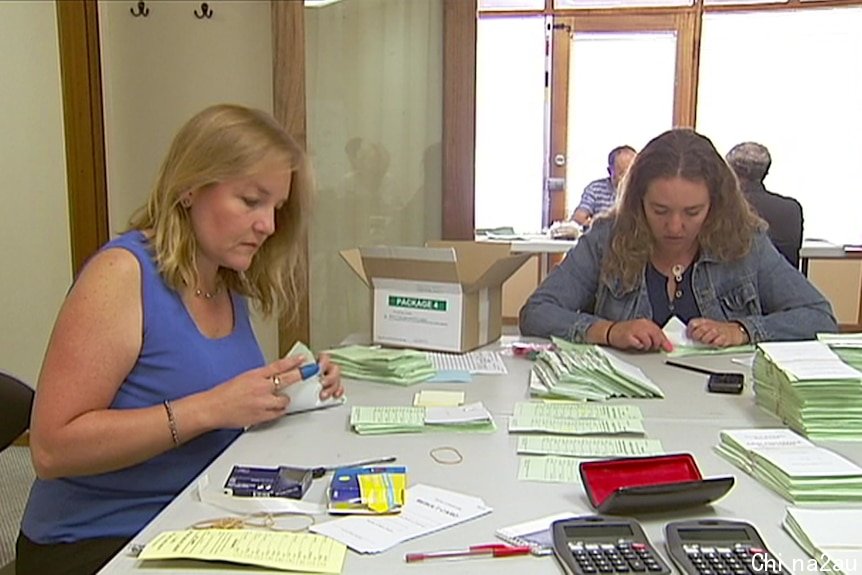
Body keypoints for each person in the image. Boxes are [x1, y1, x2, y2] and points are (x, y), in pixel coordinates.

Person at [17, 104, 345, 575]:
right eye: (251, 201)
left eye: (276, 208)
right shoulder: (122, 274)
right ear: (191, 187)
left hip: (193, 518)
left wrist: (293, 387)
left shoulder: (225, 281)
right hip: (98, 541)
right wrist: (212, 407)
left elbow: (200, 387)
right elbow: (51, 450)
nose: (269, 226)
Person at [520, 128, 837, 351]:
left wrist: (743, 330)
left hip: (720, 409)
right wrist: (608, 331)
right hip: (625, 403)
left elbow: (818, 317)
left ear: (715, 204)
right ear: (638, 200)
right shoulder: (607, 236)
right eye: (659, 210)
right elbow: (537, 312)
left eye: (692, 212)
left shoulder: (745, 241)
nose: (674, 226)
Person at [726, 141, 803, 268]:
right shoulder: (792, 209)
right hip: (784, 285)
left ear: (731, 172)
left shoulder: (725, 208)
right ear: (766, 173)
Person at [570, 145, 636, 227]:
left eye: (631, 172)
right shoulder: (595, 189)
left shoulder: (642, 191)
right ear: (610, 171)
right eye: (621, 173)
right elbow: (578, 219)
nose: (627, 178)